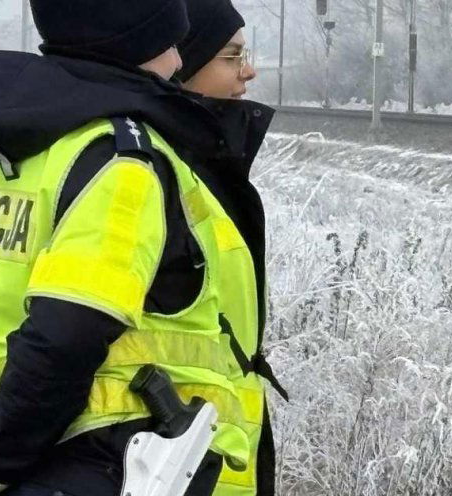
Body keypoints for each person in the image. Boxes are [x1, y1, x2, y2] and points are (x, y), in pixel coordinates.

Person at [0, 0, 284, 494]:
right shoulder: (122, 161)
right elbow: (65, 336)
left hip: (48, 471)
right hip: (122, 469)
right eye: (171, 44)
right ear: (140, 45)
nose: (177, 63)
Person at [173, 2, 286, 495]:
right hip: (179, 469)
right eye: (232, 56)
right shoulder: (159, 178)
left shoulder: (205, 169)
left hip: (212, 463)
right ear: (179, 65)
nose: (250, 71)